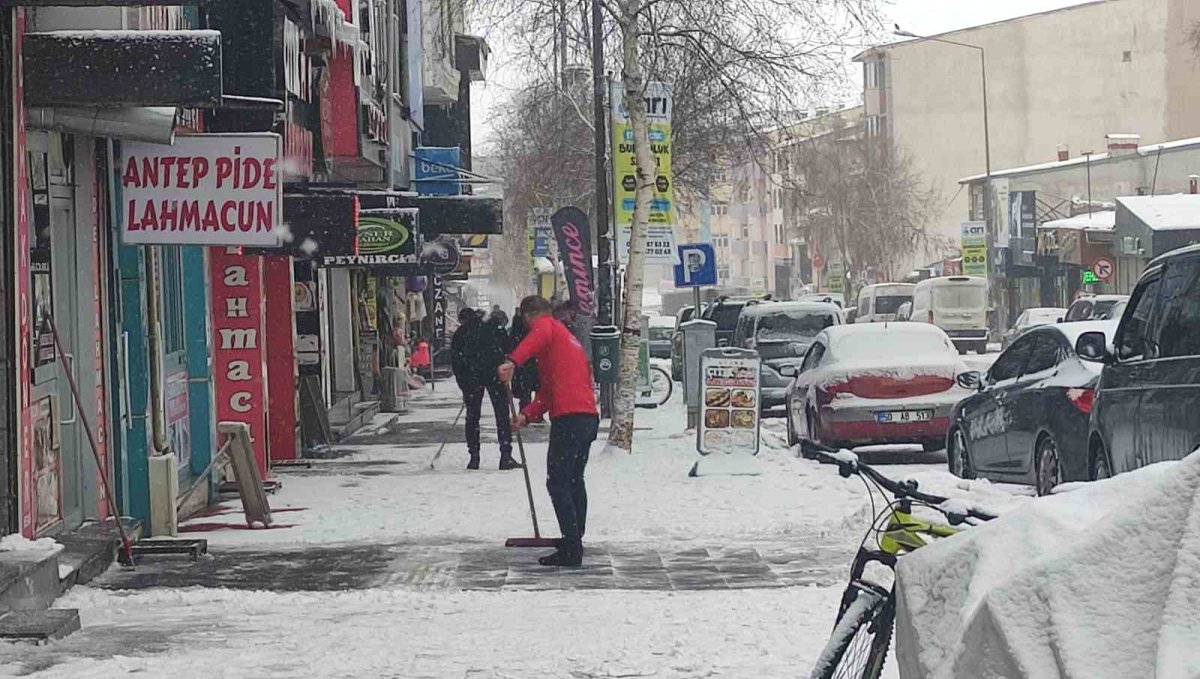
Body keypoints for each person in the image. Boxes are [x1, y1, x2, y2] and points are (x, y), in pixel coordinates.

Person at [498, 295, 599, 567]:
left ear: (529, 315)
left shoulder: (547, 326)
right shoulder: (566, 340)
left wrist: (512, 361)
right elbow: (548, 392)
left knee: (558, 481)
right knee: (574, 479)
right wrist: (525, 416)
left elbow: (534, 338)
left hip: (570, 419)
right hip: (586, 417)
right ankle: (574, 538)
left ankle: (572, 547)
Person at [451, 308, 522, 471]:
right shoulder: (494, 329)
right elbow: (509, 351)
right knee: (502, 415)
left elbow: (456, 360)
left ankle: (474, 457)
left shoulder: (462, 332)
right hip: (494, 373)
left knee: (473, 416)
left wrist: (463, 384)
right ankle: (505, 454)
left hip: (472, 376)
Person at [507, 311, 541, 419]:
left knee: (525, 392)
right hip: (531, 363)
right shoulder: (533, 331)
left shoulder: (517, 331)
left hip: (524, 364)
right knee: (536, 390)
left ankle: (526, 412)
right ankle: (534, 414)